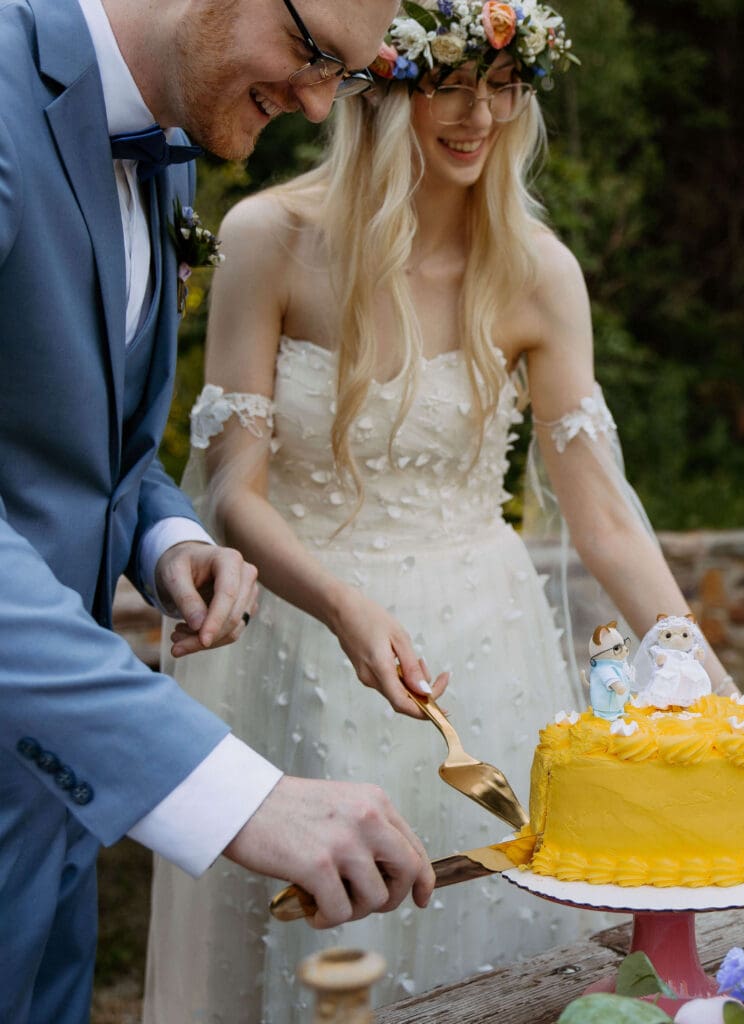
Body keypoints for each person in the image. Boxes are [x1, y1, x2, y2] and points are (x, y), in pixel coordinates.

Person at [144, 1, 744, 1016]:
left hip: (485, 646)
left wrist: (724, 705)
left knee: (488, 936)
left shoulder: (537, 270)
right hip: (304, 639)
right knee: (327, 947)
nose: (480, 116)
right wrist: (342, 606)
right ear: (375, 92)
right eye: (449, 87)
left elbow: (604, 520)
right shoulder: (268, 238)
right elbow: (233, 490)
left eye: (503, 86)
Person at [0, 1, 443, 1021]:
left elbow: (84, 444)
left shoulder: (172, 148)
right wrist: (233, 792)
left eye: (346, 73)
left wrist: (166, 537)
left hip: (53, 805)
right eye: (312, 52)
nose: (320, 104)